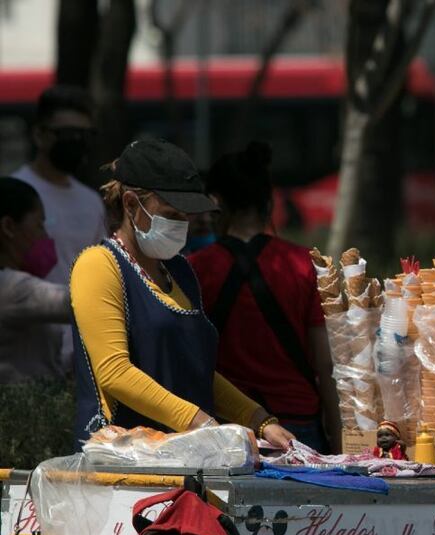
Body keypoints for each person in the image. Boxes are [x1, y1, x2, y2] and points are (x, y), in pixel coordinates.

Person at [69, 137, 294, 449]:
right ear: (132, 204)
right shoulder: (98, 265)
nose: (183, 224)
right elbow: (114, 372)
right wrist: (199, 421)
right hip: (122, 461)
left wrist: (258, 419)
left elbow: (195, 372)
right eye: (172, 215)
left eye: (186, 217)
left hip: (184, 455)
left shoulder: (181, 271)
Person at [188, 141, 341, 453]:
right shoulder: (304, 265)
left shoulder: (195, 270)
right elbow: (326, 364)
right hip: (298, 423)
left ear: (217, 203)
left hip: (227, 426)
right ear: (269, 203)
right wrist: (338, 438)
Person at [11, 85, 107, 371]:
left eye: (85, 136)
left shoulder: (91, 202)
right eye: (69, 135)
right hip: (28, 353)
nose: (77, 142)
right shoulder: (15, 194)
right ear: (41, 135)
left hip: (82, 353)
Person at [0, 177, 72, 383]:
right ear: (8, 227)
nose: (46, 236)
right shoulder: (11, 288)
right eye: (40, 224)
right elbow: (79, 303)